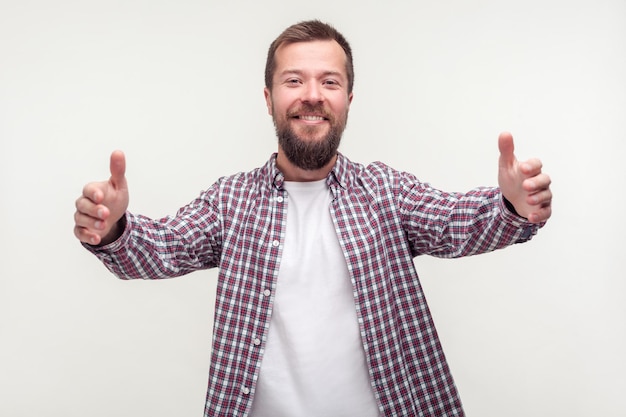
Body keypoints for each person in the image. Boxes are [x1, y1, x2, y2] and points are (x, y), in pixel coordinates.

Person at [74, 20, 552, 417]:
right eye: (293, 80)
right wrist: (113, 228)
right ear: (268, 98)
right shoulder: (231, 201)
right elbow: (162, 247)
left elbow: (455, 221)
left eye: (329, 81)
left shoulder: (384, 191)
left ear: (348, 98)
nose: (312, 95)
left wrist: (511, 205)